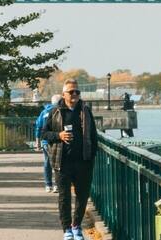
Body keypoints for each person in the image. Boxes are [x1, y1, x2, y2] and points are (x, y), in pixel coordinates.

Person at [42, 80, 98, 240]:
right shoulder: (55, 112)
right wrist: (58, 135)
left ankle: (76, 226)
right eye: (71, 92)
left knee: (82, 196)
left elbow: (94, 137)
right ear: (64, 94)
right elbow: (44, 134)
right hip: (62, 162)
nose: (74, 95)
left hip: (83, 162)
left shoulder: (85, 111)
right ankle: (66, 229)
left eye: (77, 92)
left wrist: (91, 157)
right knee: (64, 197)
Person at [33, 94, 63, 192]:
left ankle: (48, 184)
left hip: (45, 141)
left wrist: (37, 141)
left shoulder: (44, 112)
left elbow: (38, 126)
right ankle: (57, 184)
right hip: (56, 141)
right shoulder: (59, 111)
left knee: (47, 162)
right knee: (57, 162)